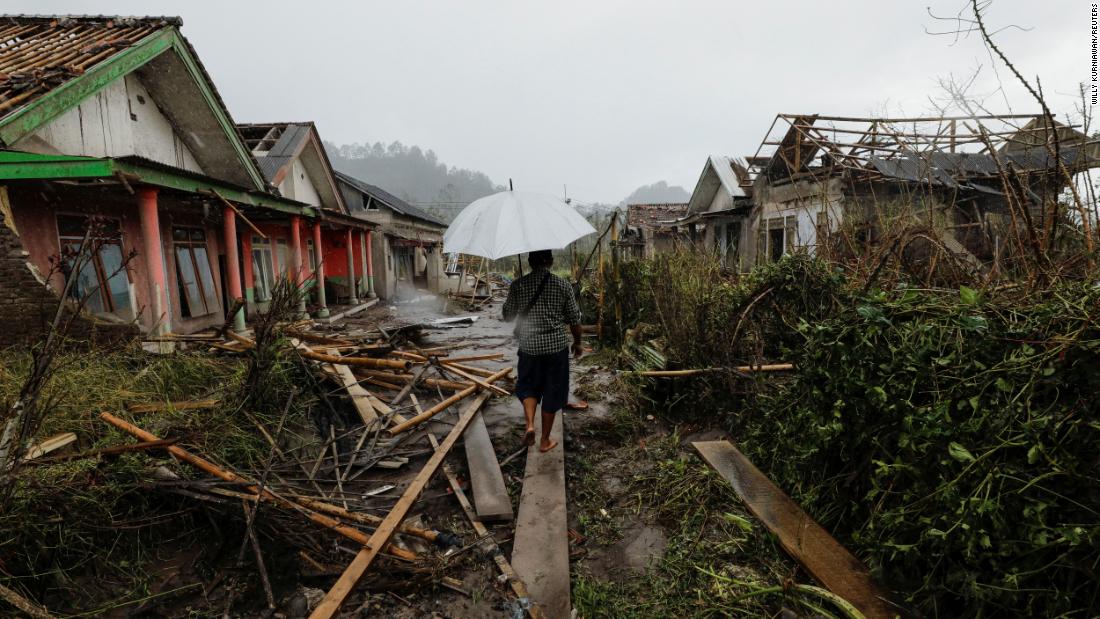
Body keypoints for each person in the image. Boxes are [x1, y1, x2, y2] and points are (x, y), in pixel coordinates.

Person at [501, 249, 582, 453]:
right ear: (551, 261)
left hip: (529, 346)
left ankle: (529, 425)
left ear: (529, 261)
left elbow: (508, 316)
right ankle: (544, 440)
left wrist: (517, 294)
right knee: (553, 391)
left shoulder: (518, 285)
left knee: (528, 386)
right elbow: (574, 319)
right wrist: (578, 342)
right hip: (556, 347)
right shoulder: (563, 285)